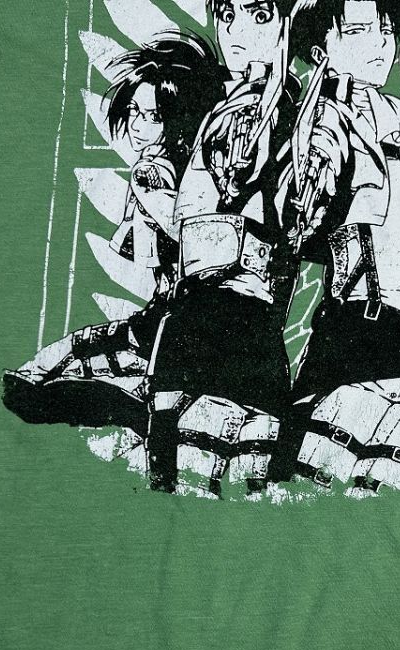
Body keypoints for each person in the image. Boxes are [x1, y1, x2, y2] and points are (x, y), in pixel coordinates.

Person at [270, 0, 400, 495]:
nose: (380, 43)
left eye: (385, 29)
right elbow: (301, 202)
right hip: (357, 330)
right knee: (314, 477)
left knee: (387, 484)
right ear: (321, 49)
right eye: (358, 31)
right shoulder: (327, 115)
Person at [1, 34, 225, 441]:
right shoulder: (190, 168)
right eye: (135, 111)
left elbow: (192, 236)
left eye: (153, 116)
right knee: (67, 357)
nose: (137, 126)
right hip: (174, 317)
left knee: (67, 359)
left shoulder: (156, 173)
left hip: (181, 320)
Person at [144, 0, 302, 498]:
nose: (235, 31)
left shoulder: (296, 113)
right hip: (202, 310)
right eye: (227, 16)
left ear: (287, 23)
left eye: (258, 15)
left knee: (242, 478)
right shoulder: (227, 111)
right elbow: (189, 214)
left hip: (245, 312)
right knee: (178, 468)